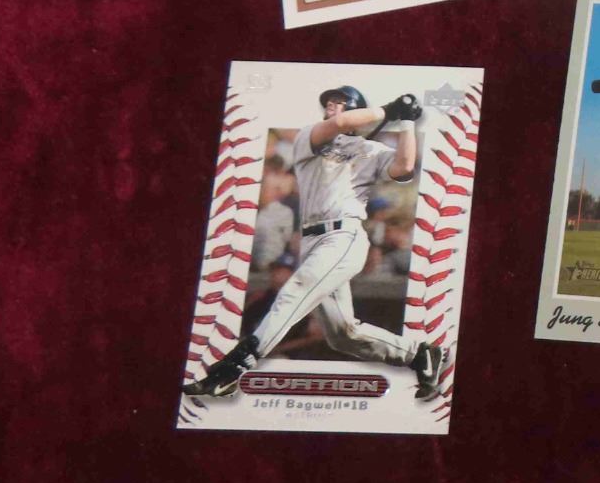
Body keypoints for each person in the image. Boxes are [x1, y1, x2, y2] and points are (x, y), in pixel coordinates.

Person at [184, 86, 446, 399]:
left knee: (295, 292)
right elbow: (339, 124)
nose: (331, 106)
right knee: (342, 334)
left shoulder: (370, 149)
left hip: (343, 235)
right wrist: (388, 111)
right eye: (329, 103)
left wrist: (406, 123)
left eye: (340, 102)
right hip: (312, 239)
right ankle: (418, 354)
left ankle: (232, 369)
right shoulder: (310, 137)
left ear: (356, 109)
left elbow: (403, 166)